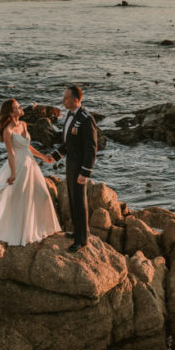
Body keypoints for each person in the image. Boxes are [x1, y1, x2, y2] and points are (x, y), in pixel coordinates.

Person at [0, 99, 61, 246]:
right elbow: (11, 154)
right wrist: (13, 174)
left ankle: (41, 228)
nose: (21, 107)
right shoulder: (8, 131)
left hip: (31, 165)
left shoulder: (23, 124)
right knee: (21, 200)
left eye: (19, 105)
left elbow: (27, 147)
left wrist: (44, 157)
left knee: (42, 196)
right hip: (18, 166)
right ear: (11, 113)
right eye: (17, 107)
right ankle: (20, 234)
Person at [50, 85, 98, 252]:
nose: (63, 100)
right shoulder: (69, 116)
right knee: (72, 198)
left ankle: (82, 240)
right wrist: (54, 156)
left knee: (80, 202)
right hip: (70, 163)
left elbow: (91, 148)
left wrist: (85, 172)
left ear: (76, 100)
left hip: (80, 166)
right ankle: (78, 232)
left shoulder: (86, 119)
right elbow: (67, 144)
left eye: (66, 98)